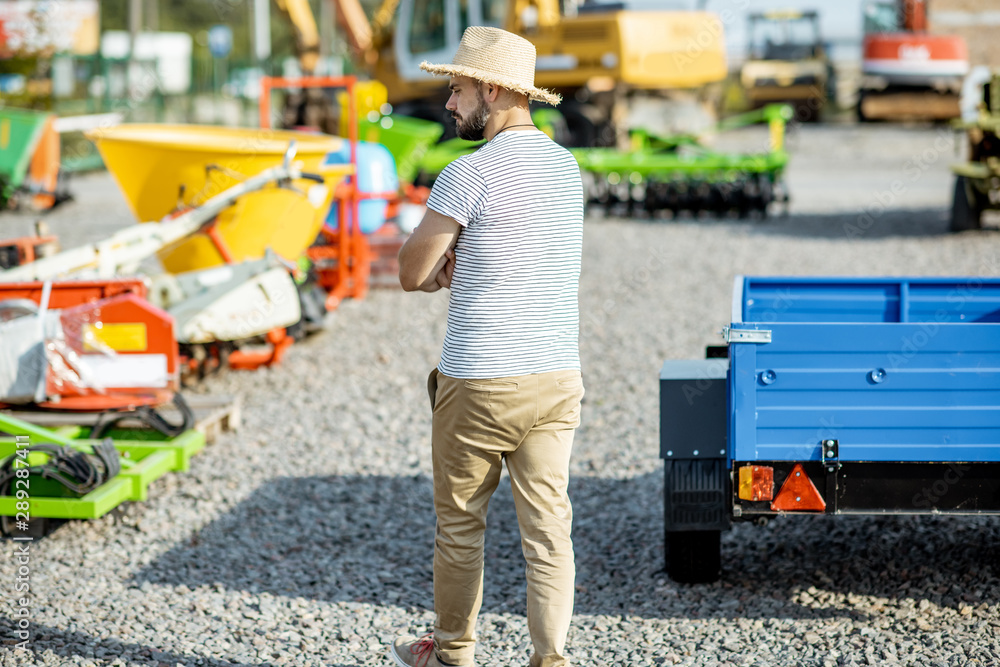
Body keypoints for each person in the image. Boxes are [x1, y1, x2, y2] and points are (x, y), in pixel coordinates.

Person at [391, 25, 585, 667]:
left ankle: (451, 654)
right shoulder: (565, 166)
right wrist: (469, 257)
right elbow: (531, 253)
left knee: (461, 527)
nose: (448, 102)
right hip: (556, 373)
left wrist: (450, 260)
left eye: (457, 87)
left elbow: (412, 273)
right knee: (549, 529)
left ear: (494, 89)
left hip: (481, 377)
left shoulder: (465, 174)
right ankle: (550, 659)